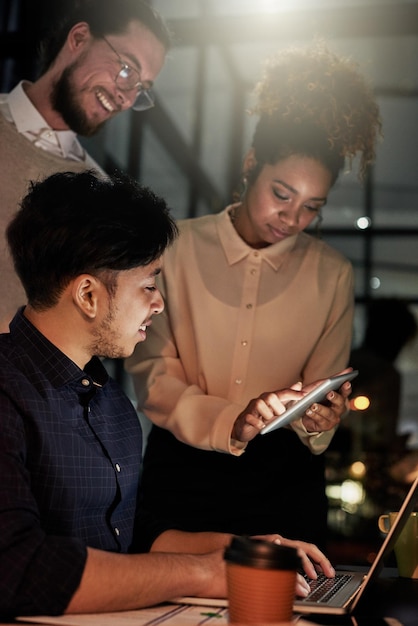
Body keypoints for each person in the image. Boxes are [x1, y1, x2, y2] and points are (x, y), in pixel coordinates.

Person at [0, 169, 337, 619]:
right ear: (88, 294)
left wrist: (237, 550)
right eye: (148, 285)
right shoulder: (6, 391)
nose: (158, 304)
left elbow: (130, 531)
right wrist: (203, 575)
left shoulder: (110, 403)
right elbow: (20, 569)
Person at [126, 40, 382, 550]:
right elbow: (154, 375)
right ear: (250, 164)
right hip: (183, 469)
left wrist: (321, 419)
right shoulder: (176, 245)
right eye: (281, 194)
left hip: (283, 482)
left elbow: (322, 389)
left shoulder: (331, 273)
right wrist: (233, 423)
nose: (292, 218)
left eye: (312, 207)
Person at [0, 0, 171, 332]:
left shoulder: (97, 198)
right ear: (78, 39)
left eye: (141, 89)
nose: (126, 97)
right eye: (126, 70)